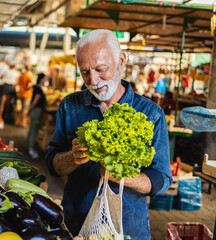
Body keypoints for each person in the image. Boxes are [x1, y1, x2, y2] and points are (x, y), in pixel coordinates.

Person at [45, 29, 172, 239]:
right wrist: (72, 158)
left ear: (121, 59)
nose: (93, 80)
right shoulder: (70, 106)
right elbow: (52, 164)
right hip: (75, 226)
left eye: (100, 69)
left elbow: (161, 179)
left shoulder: (151, 113)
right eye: (85, 72)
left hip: (128, 229)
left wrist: (124, 177)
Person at [27, 73, 47, 159]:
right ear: (41, 79)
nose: (46, 80)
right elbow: (35, 101)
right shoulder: (38, 89)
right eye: (45, 79)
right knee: (34, 129)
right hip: (36, 111)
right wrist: (29, 109)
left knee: (32, 128)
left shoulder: (36, 88)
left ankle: (29, 146)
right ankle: (30, 149)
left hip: (35, 111)